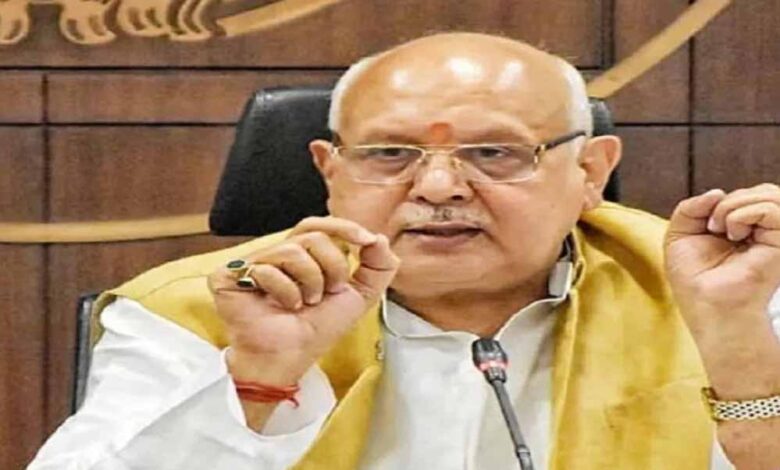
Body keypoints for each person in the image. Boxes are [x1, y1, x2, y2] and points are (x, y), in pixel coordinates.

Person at [29, 33, 780, 470]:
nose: (440, 187)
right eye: (389, 154)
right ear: (330, 172)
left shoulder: (722, 293)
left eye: (494, 153)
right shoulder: (200, 310)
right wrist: (256, 379)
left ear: (590, 171)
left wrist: (739, 354)